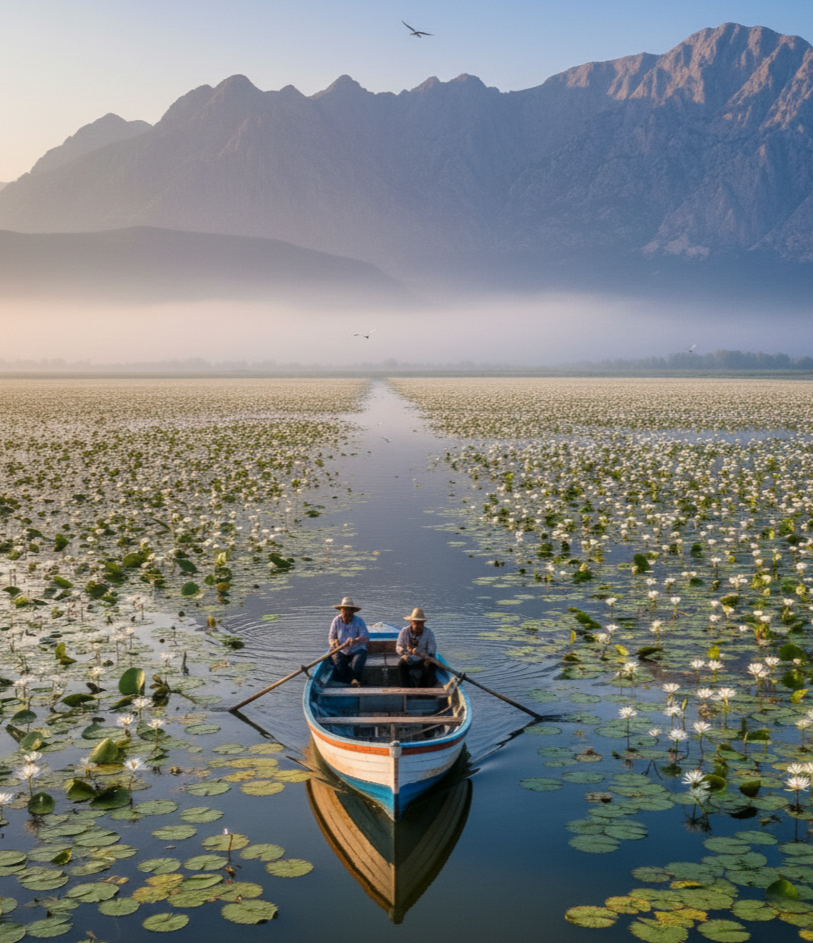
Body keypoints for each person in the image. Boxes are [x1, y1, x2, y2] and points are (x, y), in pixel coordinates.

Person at [328, 596, 369, 687]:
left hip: (357, 649)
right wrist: (334, 642)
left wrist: (355, 640)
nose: (346, 614)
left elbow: (365, 637)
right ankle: (351, 681)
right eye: (344, 612)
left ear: (352, 612)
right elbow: (331, 638)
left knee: (357, 663)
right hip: (341, 650)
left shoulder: (359, 621)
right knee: (338, 663)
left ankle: (354, 680)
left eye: (349, 611)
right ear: (341, 611)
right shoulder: (336, 621)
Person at [397, 608, 437, 688]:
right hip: (408, 659)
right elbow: (398, 647)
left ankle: (424, 690)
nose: (417, 626)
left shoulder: (428, 633)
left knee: (431, 665)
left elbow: (432, 649)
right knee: (401, 665)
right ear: (411, 622)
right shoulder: (404, 631)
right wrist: (403, 652)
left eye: (420, 623)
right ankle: (406, 691)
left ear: (423, 623)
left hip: (422, 659)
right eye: (415, 623)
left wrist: (424, 655)